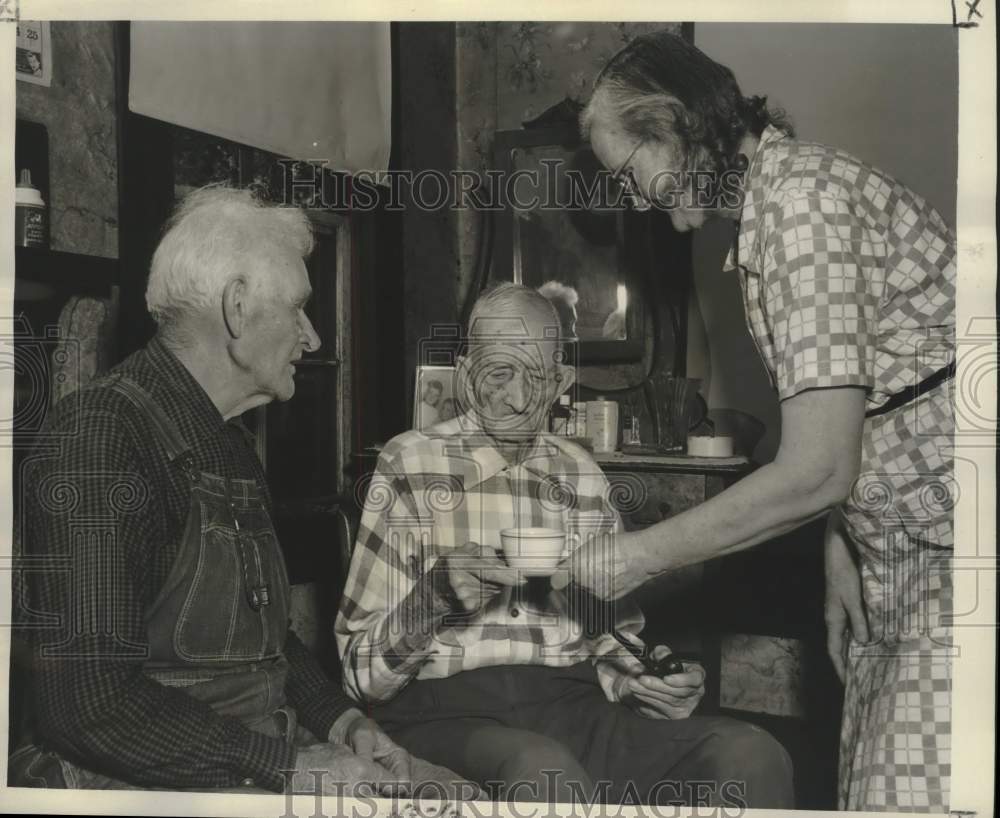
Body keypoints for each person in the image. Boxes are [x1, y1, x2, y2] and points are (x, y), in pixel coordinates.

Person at [567, 31, 955, 813]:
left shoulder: (802, 210)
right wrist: (842, 549)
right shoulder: (775, 209)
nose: (634, 198)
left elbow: (816, 466)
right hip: (904, 556)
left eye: (630, 172)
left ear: (674, 125)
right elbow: (864, 413)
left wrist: (639, 555)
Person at [16, 186, 466, 798]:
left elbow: (263, 645)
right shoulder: (101, 438)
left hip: (248, 760)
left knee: (456, 798)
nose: (311, 337)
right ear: (236, 308)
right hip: (147, 787)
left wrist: (344, 721)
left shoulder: (225, 443)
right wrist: (294, 768)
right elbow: (90, 704)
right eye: (298, 309)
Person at [336, 283, 794, 809]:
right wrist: (433, 598)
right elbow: (359, 676)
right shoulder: (408, 465)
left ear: (561, 382)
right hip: (442, 712)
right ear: (464, 374)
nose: (518, 399)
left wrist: (644, 680)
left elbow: (612, 640)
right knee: (544, 770)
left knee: (749, 754)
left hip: (572, 707)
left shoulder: (582, 475)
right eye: (499, 372)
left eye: (537, 377)